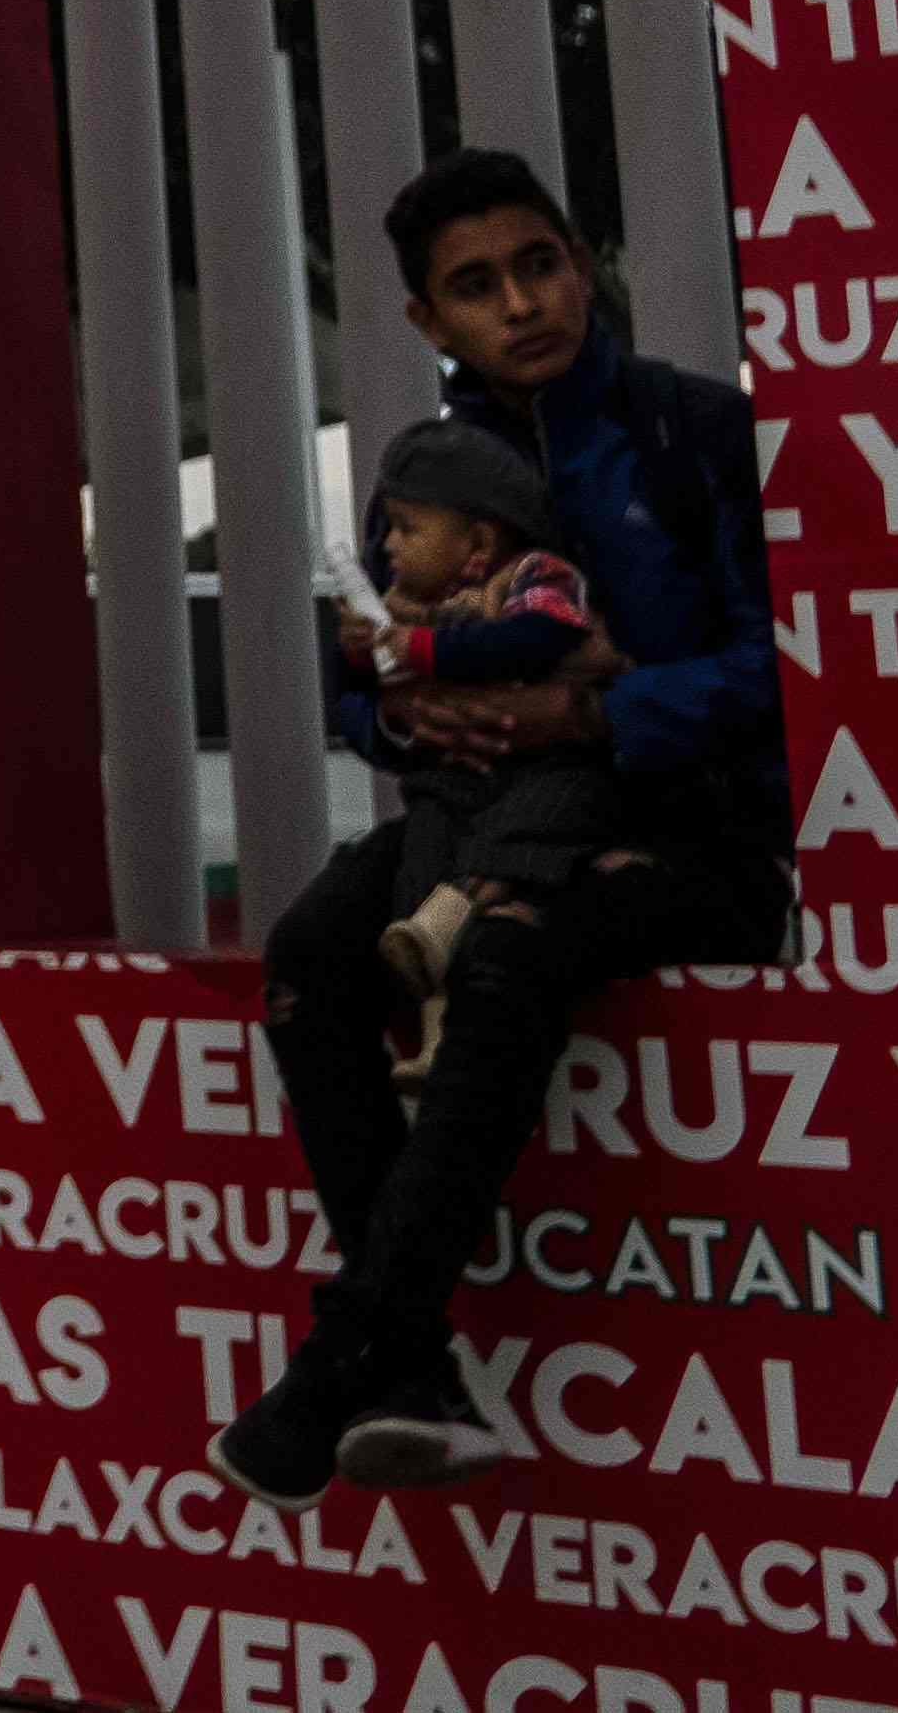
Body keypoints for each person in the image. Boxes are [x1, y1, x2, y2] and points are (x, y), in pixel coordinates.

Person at [222, 149, 788, 1508]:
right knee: (305, 951)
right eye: (476, 286)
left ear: (580, 262)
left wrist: (594, 718)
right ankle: (410, 1372)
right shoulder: (428, 469)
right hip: (478, 826)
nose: (523, 302)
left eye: (541, 263)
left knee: (509, 950)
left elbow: (787, 663)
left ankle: (346, 1362)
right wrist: (415, 723)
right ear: (427, 322)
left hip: (689, 839)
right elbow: (368, 675)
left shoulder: (700, 430)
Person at [329, 418, 622, 1040]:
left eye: (408, 529)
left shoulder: (535, 579)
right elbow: (357, 698)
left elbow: (536, 638)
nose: (388, 547)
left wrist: (422, 649)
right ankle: (433, 1024)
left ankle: (463, 901)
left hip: (541, 773)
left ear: (481, 539)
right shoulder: (408, 600)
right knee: (420, 859)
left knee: (540, 820)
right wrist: (368, 657)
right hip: (453, 781)